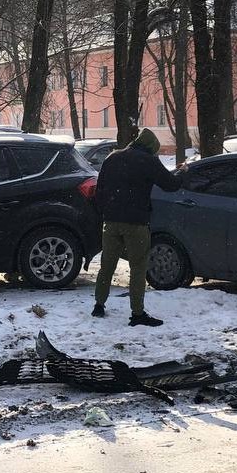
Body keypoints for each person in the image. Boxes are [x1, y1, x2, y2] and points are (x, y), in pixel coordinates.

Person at [92, 127, 183, 327]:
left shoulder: (112, 158)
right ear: (151, 147)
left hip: (111, 221)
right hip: (136, 223)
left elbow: (100, 190)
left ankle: (99, 304)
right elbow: (170, 185)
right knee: (138, 267)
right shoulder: (148, 161)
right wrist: (182, 172)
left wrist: (105, 212)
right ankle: (137, 313)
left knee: (107, 264)